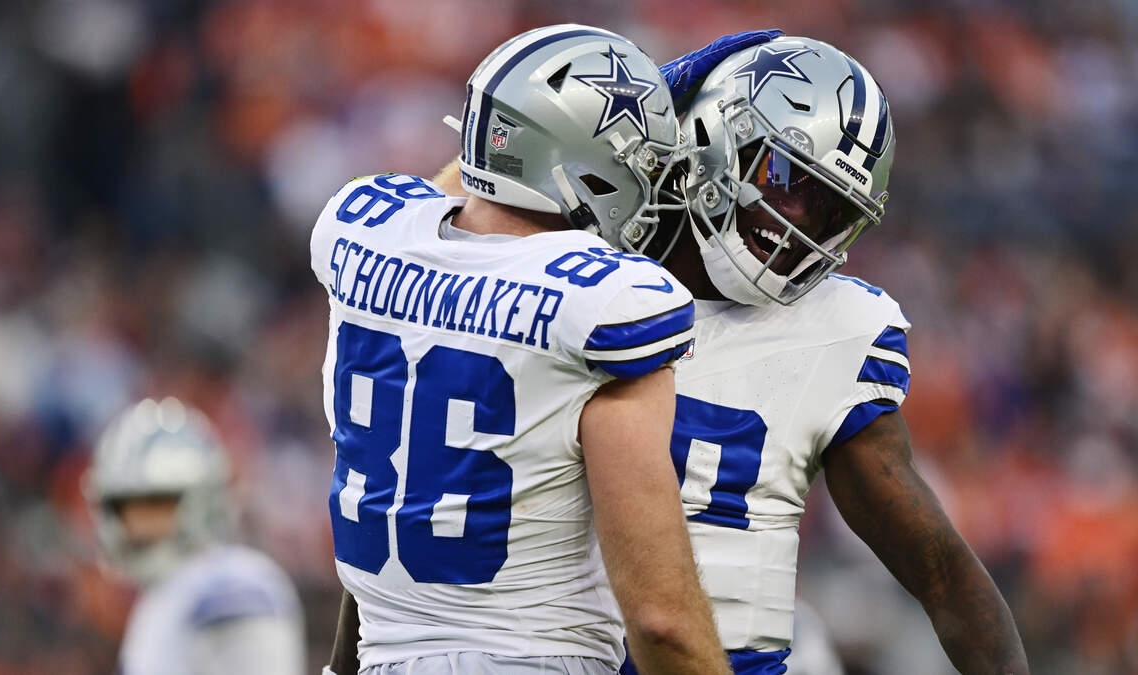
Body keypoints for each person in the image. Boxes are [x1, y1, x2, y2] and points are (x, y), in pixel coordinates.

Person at [310, 24, 728, 675]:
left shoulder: (361, 229)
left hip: (381, 656)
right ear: (587, 162)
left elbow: (461, 198)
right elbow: (660, 618)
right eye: (645, 162)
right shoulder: (607, 302)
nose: (652, 181)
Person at [619, 34, 1030, 674]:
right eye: (785, 179)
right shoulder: (584, 275)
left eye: (829, 210)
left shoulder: (833, 333)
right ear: (714, 134)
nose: (797, 224)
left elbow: (943, 574)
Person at [83, 397, 305, 675]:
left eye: (157, 505)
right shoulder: (161, 596)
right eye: (129, 510)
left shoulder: (230, 583)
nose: (141, 525)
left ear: (201, 500)